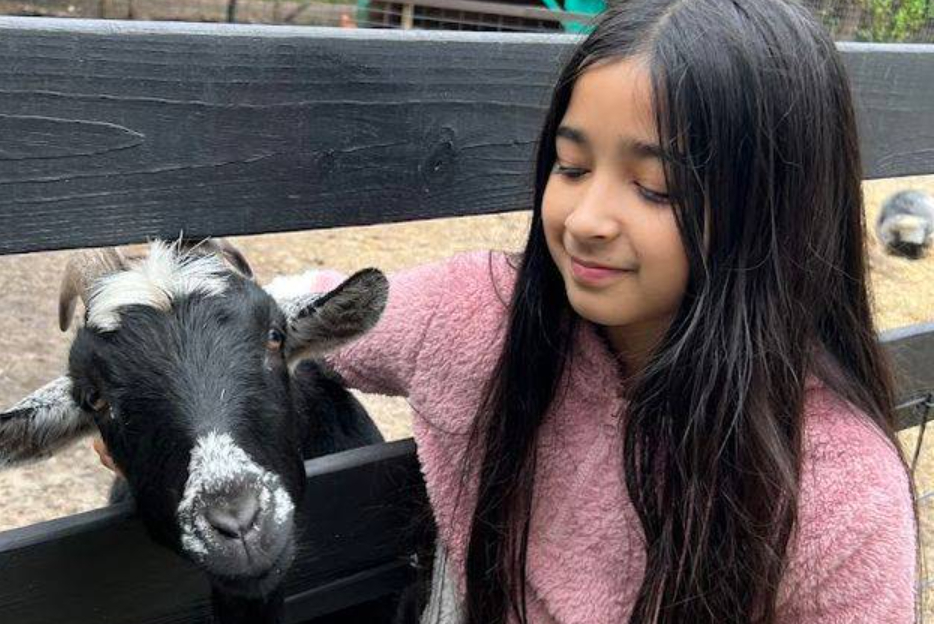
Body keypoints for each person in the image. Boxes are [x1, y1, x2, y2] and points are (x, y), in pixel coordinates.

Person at [96, 0, 919, 620]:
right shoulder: (478, 319)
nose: (587, 219)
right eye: (571, 166)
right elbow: (294, 315)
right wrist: (152, 397)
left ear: (774, 210)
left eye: (654, 185)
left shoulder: (839, 498)